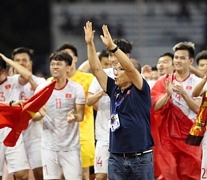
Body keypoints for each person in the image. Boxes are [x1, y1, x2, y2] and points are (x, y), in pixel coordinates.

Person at [84, 21, 154, 180]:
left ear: (132, 74)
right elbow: (96, 69)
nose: (115, 72)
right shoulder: (113, 89)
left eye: (120, 70)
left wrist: (113, 48)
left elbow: (130, 67)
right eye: (115, 69)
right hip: (115, 156)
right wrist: (90, 44)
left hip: (140, 157)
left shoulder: (141, 89)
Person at [151, 41, 202, 180]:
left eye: (182, 58)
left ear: (190, 61)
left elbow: (199, 110)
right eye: (176, 57)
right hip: (168, 137)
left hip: (190, 136)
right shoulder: (164, 81)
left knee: (190, 174)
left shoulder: (197, 82)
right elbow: (154, 107)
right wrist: (167, 95)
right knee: (169, 172)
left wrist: (184, 94)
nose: (178, 61)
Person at [34, 51, 85, 180]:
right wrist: (40, 115)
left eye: (59, 64)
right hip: (48, 147)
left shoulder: (76, 88)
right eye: (52, 64)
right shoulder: (42, 88)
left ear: (68, 67)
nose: (54, 67)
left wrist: (74, 117)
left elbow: (81, 116)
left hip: (70, 147)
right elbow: (32, 116)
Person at [87, 39, 133, 180]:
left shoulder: (135, 76)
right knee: (100, 176)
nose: (113, 59)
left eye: (115, 55)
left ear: (126, 55)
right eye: (110, 55)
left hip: (126, 136)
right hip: (104, 134)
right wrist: (102, 92)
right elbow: (89, 101)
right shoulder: (102, 75)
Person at [56, 43, 95, 180]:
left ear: (75, 59)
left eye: (69, 56)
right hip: (60, 136)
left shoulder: (88, 79)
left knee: (84, 174)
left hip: (83, 135)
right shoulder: (53, 82)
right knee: (62, 175)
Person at [11, 47, 46, 180]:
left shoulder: (41, 82)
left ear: (30, 63)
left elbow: (41, 107)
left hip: (35, 134)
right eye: (17, 61)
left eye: (24, 60)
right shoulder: (9, 83)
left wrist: (30, 78)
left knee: (40, 173)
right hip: (16, 135)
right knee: (20, 175)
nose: (21, 64)